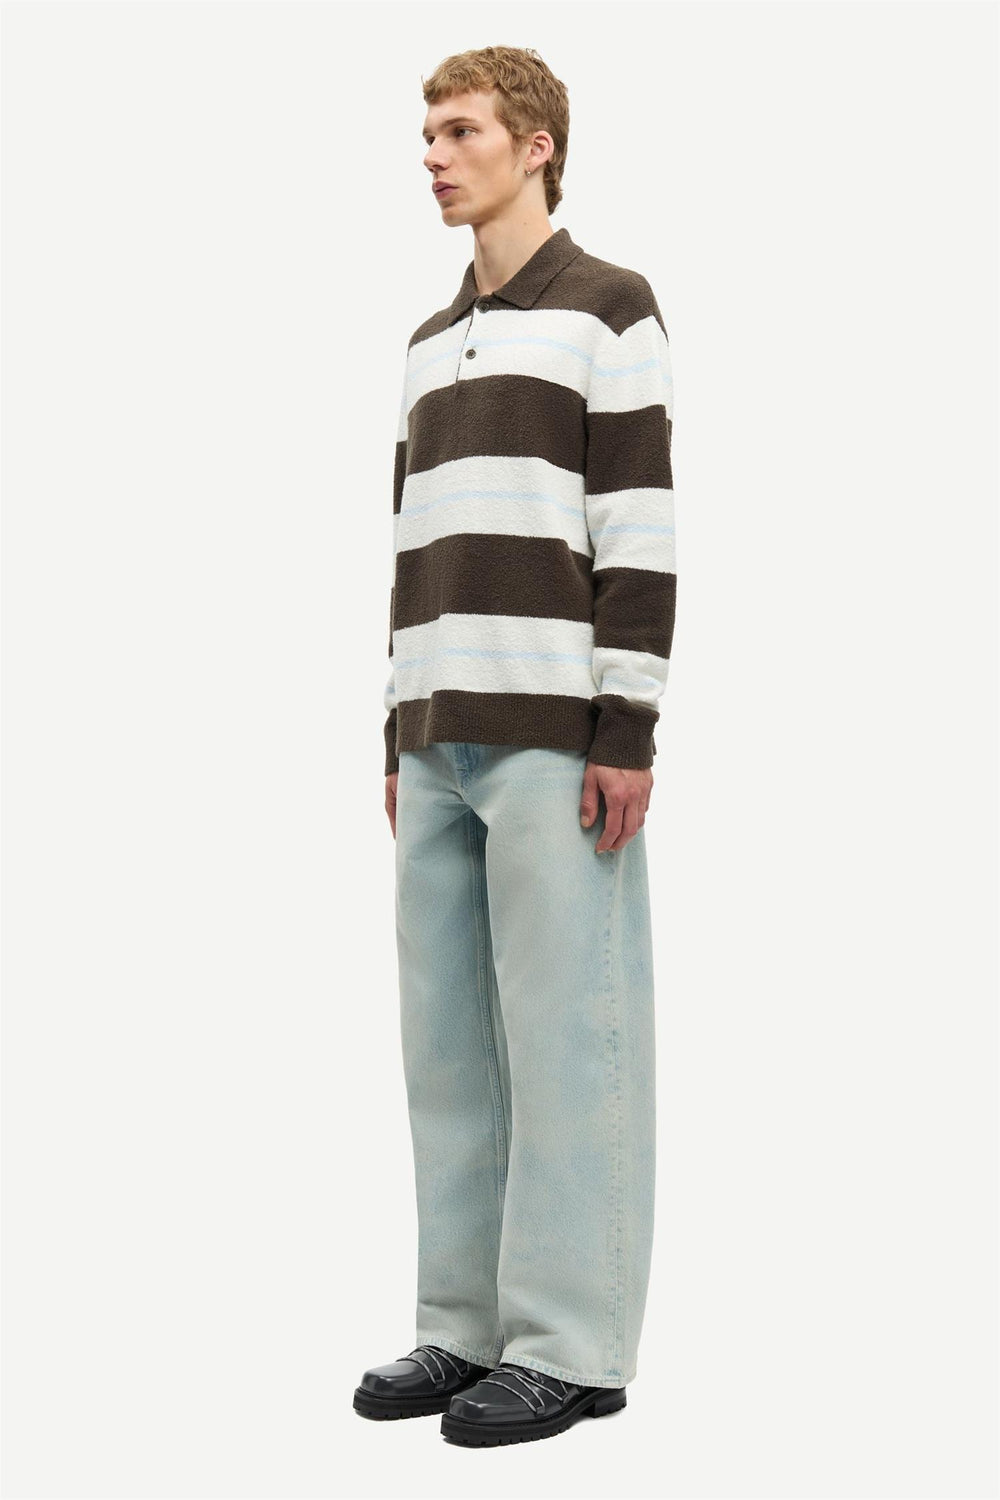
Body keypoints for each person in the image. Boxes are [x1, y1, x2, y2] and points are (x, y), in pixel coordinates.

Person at [353, 45, 676, 1448]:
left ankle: (572, 1348)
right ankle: (464, 1325)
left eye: (459, 129)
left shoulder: (610, 309)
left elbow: (639, 532)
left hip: (555, 738)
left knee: (570, 1040)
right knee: (447, 1053)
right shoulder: (429, 344)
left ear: (534, 144)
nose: (432, 154)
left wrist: (627, 724)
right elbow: (412, 548)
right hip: (436, 740)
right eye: (426, 132)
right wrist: (396, 727)